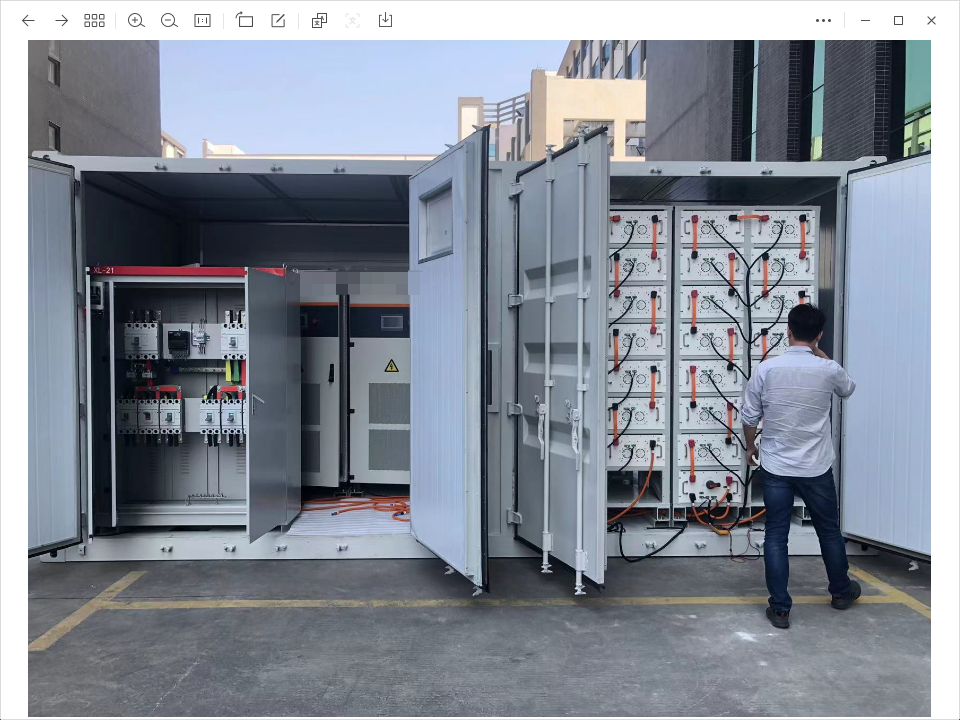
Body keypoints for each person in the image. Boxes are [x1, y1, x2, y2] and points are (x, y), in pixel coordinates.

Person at [740, 303, 859, 629]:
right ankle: (841, 592)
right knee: (829, 532)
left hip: (776, 466)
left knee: (776, 536)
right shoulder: (829, 369)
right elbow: (848, 388)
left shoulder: (766, 370)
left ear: (788, 331)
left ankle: (780, 609)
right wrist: (819, 352)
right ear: (819, 335)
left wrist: (751, 447)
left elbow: (749, 417)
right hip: (816, 467)